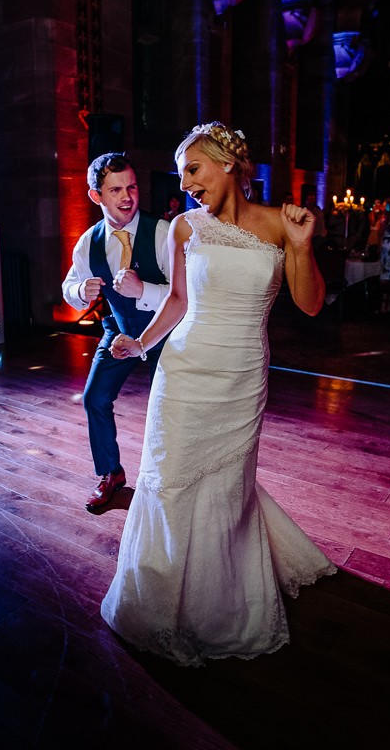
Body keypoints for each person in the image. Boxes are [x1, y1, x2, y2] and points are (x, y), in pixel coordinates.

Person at [102, 122, 336, 666]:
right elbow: (179, 300)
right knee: (170, 479)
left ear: (227, 162)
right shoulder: (184, 227)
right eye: (183, 173)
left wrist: (301, 245)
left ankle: (222, 600)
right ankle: (160, 596)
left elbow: (310, 304)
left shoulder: (282, 222)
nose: (186, 183)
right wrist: (139, 342)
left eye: (193, 169)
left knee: (228, 488)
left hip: (241, 374)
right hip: (183, 371)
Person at [62, 153, 172, 511]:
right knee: (95, 398)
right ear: (96, 196)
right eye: (115, 190)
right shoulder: (87, 243)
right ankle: (111, 474)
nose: (127, 197)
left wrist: (145, 291)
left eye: (132, 187)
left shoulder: (162, 233)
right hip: (119, 333)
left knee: (168, 410)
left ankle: (169, 483)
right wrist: (80, 292)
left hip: (165, 334)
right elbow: (69, 286)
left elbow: (188, 294)